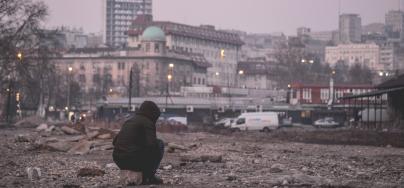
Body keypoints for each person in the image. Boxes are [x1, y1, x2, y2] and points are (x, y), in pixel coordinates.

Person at [112, 101, 164, 185]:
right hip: (134, 160)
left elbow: (114, 142)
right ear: (153, 114)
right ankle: (150, 176)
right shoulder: (148, 122)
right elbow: (152, 145)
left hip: (119, 160)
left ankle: (139, 174)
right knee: (160, 144)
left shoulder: (129, 121)